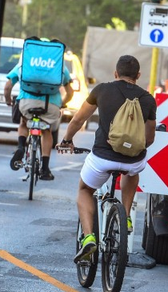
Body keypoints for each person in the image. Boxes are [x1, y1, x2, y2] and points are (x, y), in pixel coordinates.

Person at [57, 55, 157, 262]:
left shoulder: (102, 90)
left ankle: (88, 238)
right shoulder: (148, 99)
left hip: (103, 156)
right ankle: (126, 217)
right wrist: (132, 148)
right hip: (133, 158)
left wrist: (67, 139)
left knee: (85, 189)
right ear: (138, 75)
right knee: (132, 171)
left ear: (115, 73)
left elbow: (78, 119)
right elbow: (150, 138)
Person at [5, 38, 73, 181]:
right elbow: (70, 92)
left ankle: (21, 147)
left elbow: (8, 86)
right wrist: (61, 103)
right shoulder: (59, 64)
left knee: (24, 123)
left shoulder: (25, 61)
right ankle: (45, 168)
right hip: (51, 105)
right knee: (46, 130)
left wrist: (8, 100)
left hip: (26, 103)